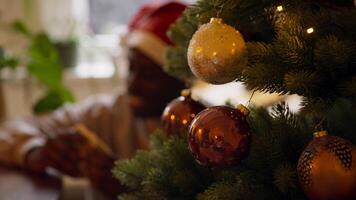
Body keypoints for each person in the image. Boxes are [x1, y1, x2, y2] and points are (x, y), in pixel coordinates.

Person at [0, 0, 186, 197]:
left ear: (182, 81)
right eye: (131, 68)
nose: (132, 84)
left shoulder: (205, 132)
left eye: (148, 75)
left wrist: (127, 186)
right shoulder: (108, 113)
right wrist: (35, 152)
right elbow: (7, 131)